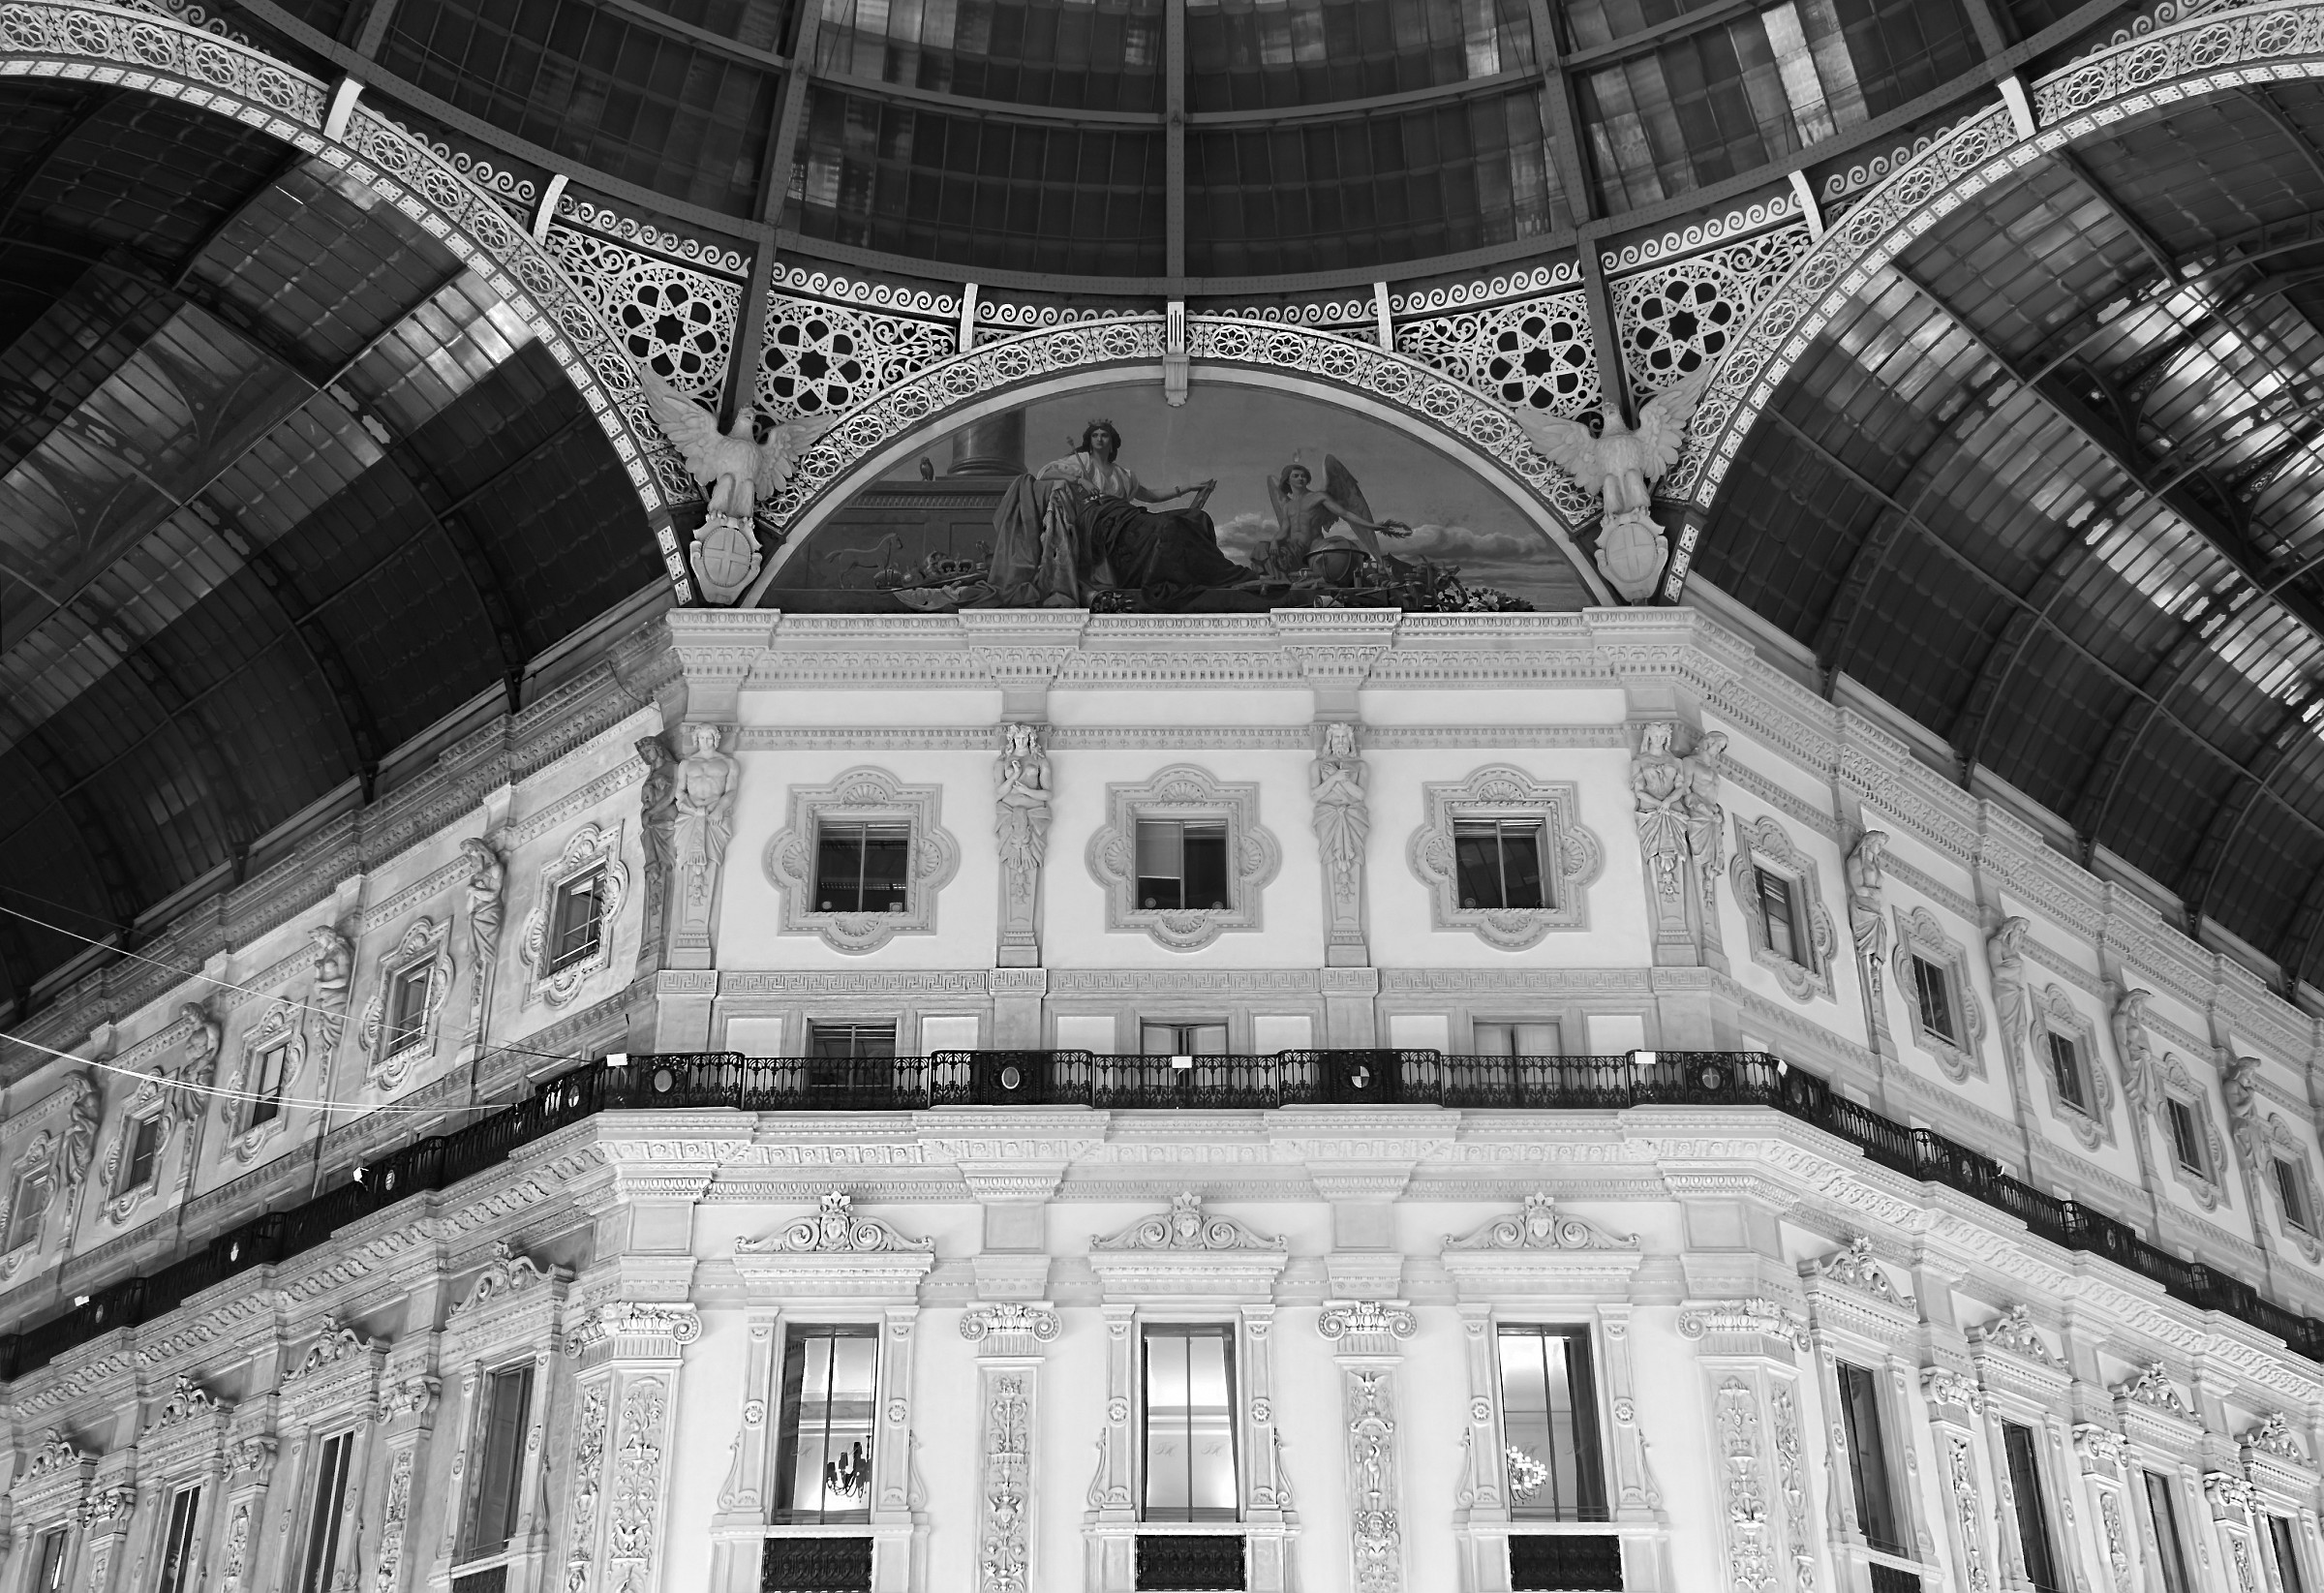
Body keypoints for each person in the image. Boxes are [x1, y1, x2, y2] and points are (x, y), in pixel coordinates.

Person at [990, 419, 1262, 610]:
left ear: (1112, 442)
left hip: (1127, 517)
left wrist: (1188, 488)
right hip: (1100, 525)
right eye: (1095, 435)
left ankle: (1223, 576)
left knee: (1191, 521)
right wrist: (1080, 480)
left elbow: (1151, 496)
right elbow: (1044, 474)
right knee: (1167, 529)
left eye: (1104, 435)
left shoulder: (1123, 474)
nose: (1100, 439)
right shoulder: (1080, 463)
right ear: (1089, 441)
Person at [1264, 457, 1410, 578]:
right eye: (1296, 476)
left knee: (1335, 558)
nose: (1301, 478)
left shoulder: (1318, 497)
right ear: (1287, 480)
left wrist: (1372, 526)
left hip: (1315, 547)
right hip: (1294, 550)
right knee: (1262, 550)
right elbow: (1285, 530)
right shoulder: (1288, 506)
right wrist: (1275, 541)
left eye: (1303, 476)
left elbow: (1345, 513)